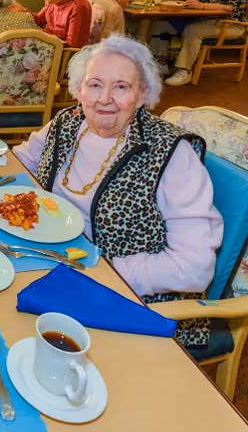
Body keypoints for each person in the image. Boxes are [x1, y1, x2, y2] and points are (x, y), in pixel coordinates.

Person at [13, 35, 223, 347]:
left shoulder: (171, 153)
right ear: (79, 89)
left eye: (121, 87)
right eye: (95, 84)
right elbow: (22, 161)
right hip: (57, 259)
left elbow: (194, 265)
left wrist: (103, 269)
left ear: (142, 95)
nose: (104, 98)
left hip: (132, 299)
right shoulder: (68, 122)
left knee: (20, 332)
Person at [160, 0, 247, 86]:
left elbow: (230, 7)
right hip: (205, 21)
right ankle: (161, 63)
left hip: (230, 26)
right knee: (162, 24)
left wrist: (201, 6)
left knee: (193, 29)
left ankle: (184, 71)